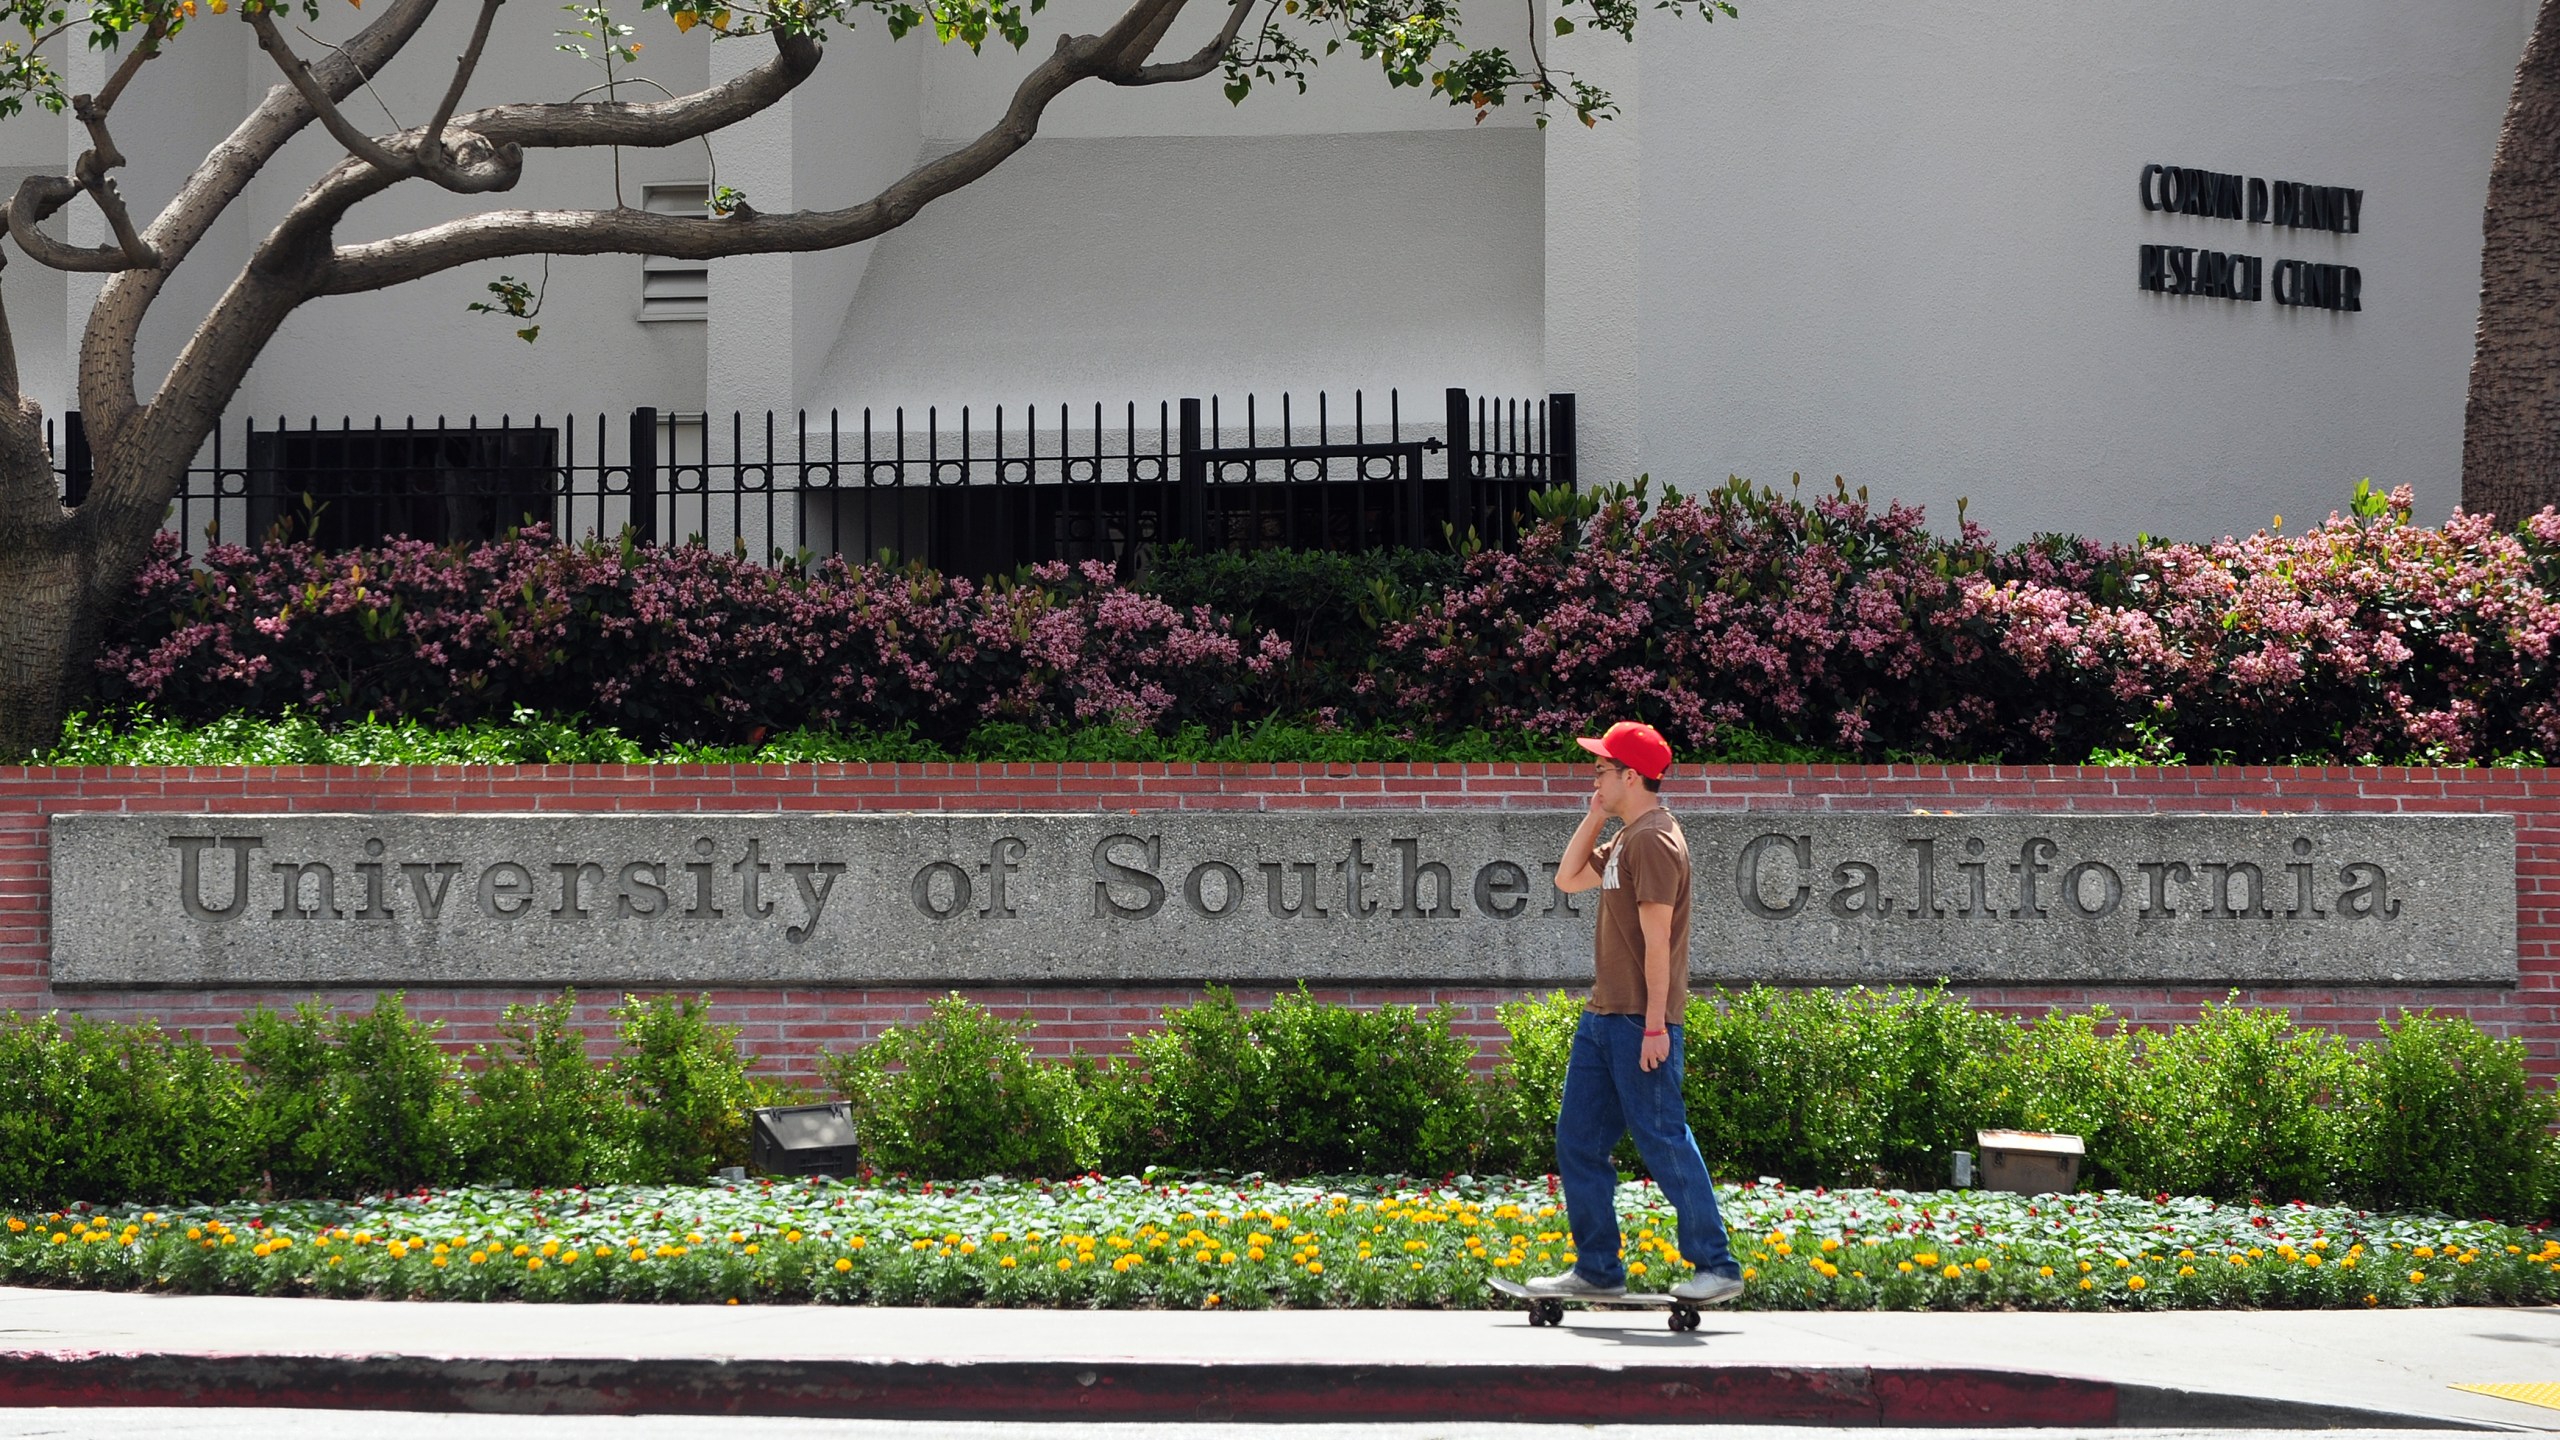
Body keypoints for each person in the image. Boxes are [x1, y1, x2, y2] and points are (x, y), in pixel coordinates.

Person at [1524, 720, 1745, 1306]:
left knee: (1665, 1142)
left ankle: (1716, 1265)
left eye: (1601, 769)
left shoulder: (1654, 839)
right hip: (1604, 1017)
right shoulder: (1628, 835)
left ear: (1629, 775)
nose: (1592, 776)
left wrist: (1654, 1025)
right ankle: (1598, 1268)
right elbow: (1567, 878)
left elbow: (1657, 941)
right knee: (1578, 1142)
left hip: (1635, 1021)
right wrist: (1596, 814)